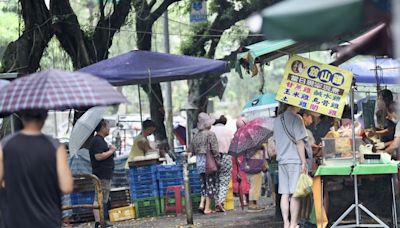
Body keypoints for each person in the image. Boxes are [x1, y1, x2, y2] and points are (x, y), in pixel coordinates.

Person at [0, 109, 73, 228]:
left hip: (14, 219)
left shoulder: (5, 144)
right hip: (47, 218)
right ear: (44, 118)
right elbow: (66, 186)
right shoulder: (55, 146)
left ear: (22, 117)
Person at [273, 103, 308, 228]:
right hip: (294, 159)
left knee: (284, 193)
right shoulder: (297, 118)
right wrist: (304, 161)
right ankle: (293, 224)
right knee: (294, 193)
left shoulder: (277, 120)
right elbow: (299, 142)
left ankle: (285, 223)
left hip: (282, 160)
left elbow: (275, 141)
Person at [190, 112, 219, 215]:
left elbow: (192, 150)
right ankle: (207, 208)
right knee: (210, 184)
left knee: (203, 184)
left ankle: (201, 204)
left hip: (199, 162)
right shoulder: (210, 134)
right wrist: (218, 162)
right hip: (209, 162)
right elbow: (215, 150)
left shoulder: (196, 135)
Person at [89, 119, 116, 228]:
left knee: (103, 198)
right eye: (108, 126)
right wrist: (111, 151)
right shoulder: (97, 141)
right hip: (101, 174)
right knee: (99, 197)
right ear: (102, 127)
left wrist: (109, 149)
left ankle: (101, 221)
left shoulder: (100, 141)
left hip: (105, 173)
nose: (109, 128)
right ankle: (98, 222)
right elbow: (98, 156)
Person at [211, 115, 234, 212]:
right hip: (226, 156)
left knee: (216, 180)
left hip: (214, 158)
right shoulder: (229, 131)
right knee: (224, 180)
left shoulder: (211, 131)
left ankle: (217, 202)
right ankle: (220, 202)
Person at [243, 144, 268, 212]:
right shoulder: (258, 147)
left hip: (248, 168)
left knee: (252, 186)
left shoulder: (246, 146)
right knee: (255, 187)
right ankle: (252, 205)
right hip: (256, 169)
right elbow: (260, 159)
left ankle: (254, 204)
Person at [231, 117, 250, 205]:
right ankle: (246, 199)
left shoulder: (236, 135)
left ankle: (245, 199)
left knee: (240, 179)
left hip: (237, 159)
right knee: (243, 179)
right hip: (241, 159)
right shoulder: (242, 135)